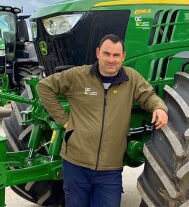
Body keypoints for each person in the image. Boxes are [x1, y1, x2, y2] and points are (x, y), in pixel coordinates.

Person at [37, 34, 168, 207]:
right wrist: (64, 120)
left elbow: (148, 96)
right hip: (76, 165)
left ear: (123, 56)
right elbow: (44, 86)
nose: (111, 60)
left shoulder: (131, 78)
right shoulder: (78, 75)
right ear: (98, 53)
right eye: (107, 54)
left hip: (110, 170)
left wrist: (159, 107)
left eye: (116, 55)